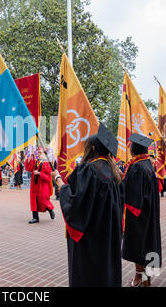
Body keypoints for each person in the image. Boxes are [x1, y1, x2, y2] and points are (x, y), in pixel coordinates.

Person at [52, 123, 123, 287]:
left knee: (88, 275)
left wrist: (58, 179)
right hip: (109, 234)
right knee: (106, 272)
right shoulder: (114, 172)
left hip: (91, 237)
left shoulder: (89, 170)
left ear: (90, 149)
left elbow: (74, 200)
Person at [122, 134, 162, 287]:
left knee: (139, 246)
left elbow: (133, 193)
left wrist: (122, 184)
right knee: (149, 243)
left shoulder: (137, 166)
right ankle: (147, 278)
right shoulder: (146, 164)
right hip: (148, 211)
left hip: (138, 214)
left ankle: (139, 278)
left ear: (134, 149)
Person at [25, 146, 55, 224]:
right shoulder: (35, 162)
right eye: (38, 152)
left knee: (43, 200)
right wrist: (30, 156)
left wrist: (39, 173)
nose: (39, 154)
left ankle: (50, 209)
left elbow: (48, 177)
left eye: (40, 152)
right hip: (34, 185)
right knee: (33, 200)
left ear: (44, 154)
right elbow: (28, 167)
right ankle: (35, 218)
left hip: (43, 185)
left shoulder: (46, 163)